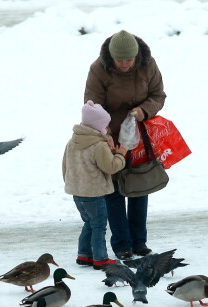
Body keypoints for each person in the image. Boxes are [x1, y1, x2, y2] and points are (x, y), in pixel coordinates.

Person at [84, 30, 166, 260]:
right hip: (109, 136)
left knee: (140, 187)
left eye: (128, 59)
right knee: (115, 190)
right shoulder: (98, 69)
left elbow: (158, 95)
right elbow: (92, 106)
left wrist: (144, 110)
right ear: (111, 57)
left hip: (139, 136)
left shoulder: (148, 65)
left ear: (136, 56)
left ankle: (139, 242)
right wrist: (106, 135)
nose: (124, 64)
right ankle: (122, 244)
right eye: (120, 60)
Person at [62, 100, 126, 269]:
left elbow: (65, 166)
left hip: (77, 193)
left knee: (89, 223)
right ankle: (100, 258)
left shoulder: (72, 142)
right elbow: (111, 167)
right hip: (94, 193)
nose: (106, 128)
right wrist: (120, 155)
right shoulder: (98, 145)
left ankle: (84, 255)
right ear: (98, 126)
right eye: (105, 125)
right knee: (99, 226)